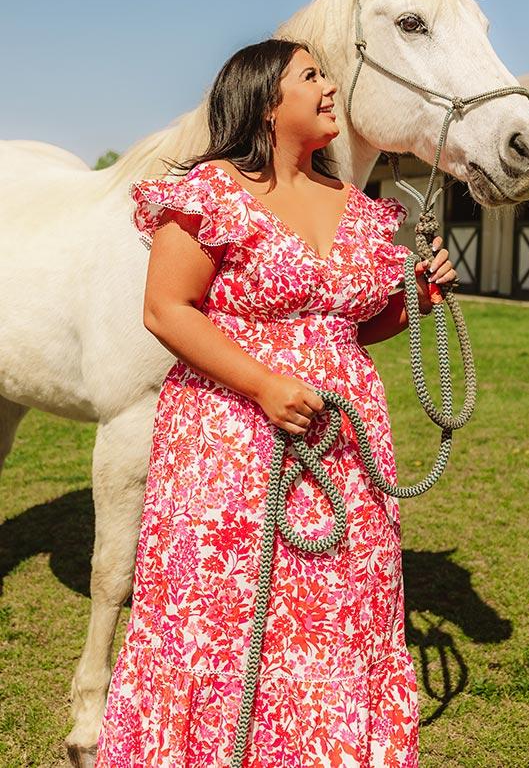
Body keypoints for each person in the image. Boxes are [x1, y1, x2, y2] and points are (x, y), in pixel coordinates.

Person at [94, 38, 457, 767]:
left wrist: (417, 296)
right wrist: (264, 384)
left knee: (337, 601)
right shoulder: (211, 192)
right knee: (226, 610)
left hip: (342, 447)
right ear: (264, 99)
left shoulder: (360, 210)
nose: (330, 87)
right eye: (312, 76)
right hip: (231, 437)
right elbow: (168, 308)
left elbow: (355, 323)